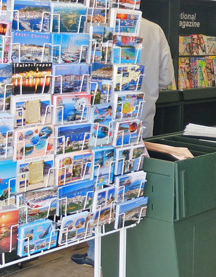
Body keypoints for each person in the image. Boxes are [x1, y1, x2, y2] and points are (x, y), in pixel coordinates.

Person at [71, 18, 174, 267]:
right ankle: (133, 250)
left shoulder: (92, 26)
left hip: (101, 127)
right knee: (135, 185)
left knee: (102, 186)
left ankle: (98, 252)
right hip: (141, 124)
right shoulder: (154, 29)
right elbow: (166, 78)